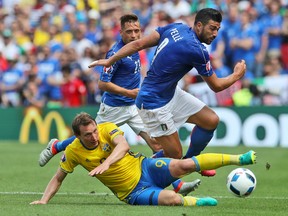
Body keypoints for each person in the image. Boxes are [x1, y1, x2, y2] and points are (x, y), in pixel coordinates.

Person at [38, 14, 197, 195]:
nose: (134, 35)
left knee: (157, 145)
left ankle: (176, 184)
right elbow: (102, 84)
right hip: (113, 108)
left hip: (133, 107)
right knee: (90, 136)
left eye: (137, 31)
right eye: (129, 31)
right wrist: (129, 92)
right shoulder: (115, 53)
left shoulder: (136, 49)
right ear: (120, 32)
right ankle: (57, 146)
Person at [88, 8, 247, 176]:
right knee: (175, 155)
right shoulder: (197, 50)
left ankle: (192, 161)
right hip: (152, 103)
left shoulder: (176, 27)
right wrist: (237, 75)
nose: (215, 34)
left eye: (217, 29)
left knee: (211, 120)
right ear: (199, 25)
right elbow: (216, 86)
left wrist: (110, 60)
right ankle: (142, 172)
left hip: (170, 93)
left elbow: (138, 44)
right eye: (212, 28)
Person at [30, 112, 256, 206]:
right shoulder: (74, 152)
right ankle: (198, 202)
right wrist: (44, 200)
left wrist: (107, 163)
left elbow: (124, 145)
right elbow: (58, 178)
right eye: (87, 135)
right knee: (173, 200)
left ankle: (240, 159)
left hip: (145, 167)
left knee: (184, 163)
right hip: (133, 192)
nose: (94, 136)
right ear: (77, 136)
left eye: (94, 131)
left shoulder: (108, 128)